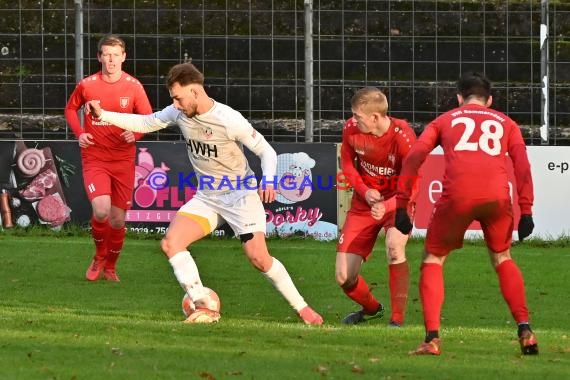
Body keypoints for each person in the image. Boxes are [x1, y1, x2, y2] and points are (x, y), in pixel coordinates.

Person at [86, 62, 323, 325]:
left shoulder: (228, 119)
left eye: (178, 97)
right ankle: (202, 304)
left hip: (240, 196)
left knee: (258, 258)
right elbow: (146, 121)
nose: (175, 104)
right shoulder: (178, 113)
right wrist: (104, 114)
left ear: (195, 92)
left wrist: (267, 180)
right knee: (171, 243)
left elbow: (266, 151)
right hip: (208, 196)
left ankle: (304, 310)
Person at [395, 71, 538, 356]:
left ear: (459, 98)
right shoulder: (507, 123)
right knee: (502, 257)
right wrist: (526, 210)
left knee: (433, 258)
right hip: (498, 197)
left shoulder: (444, 120)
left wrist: (402, 204)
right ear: (490, 100)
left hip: (457, 196)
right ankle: (525, 329)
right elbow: (522, 165)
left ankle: (432, 338)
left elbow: (414, 156)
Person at [64, 34, 153, 282]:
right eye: (106, 54)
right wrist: (80, 133)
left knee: (117, 218)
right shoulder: (87, 84)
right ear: (99, 57)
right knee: (101, 210)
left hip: (123, 158)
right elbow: (70, 108)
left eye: (116, 55)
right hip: (95, 157)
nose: (111, 60)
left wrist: (135, 134)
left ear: (124, 57)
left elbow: (148, 119)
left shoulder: (134, 86)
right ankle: (99, 256)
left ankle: (111, 266)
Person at [336, 87, 416, 327]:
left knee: (394, 247)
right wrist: (365, 191)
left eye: (357, 116)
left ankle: (397, 320)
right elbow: (348, 165)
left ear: (375, 117)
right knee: (343, 277)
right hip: (364, 205)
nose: (353, 120)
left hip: (398, 204)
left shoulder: (403, 136)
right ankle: (372, 309)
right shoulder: (351, 130)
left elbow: (414, 183)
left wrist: (389, 205)